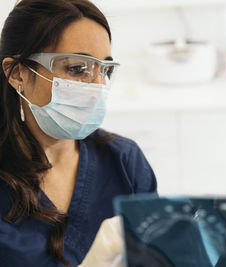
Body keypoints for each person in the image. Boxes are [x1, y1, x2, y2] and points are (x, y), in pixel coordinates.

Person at [0, 0, 157, 266]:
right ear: (18, 73)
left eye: (104, 69)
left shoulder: (124, 161)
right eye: (77, 69)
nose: (96, 86)